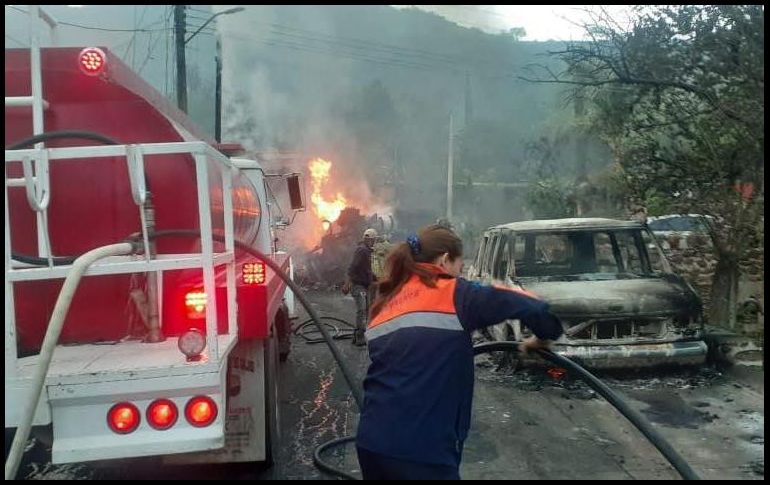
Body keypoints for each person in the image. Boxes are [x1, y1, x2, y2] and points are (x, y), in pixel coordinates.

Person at [356, 224, 564, 480]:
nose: (461, 271)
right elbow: (532, 306)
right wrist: (542, 337)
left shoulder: (384, 304)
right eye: (459, 264)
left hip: (371, 444)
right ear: (444, 260)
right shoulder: (454, 294)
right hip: (423, 453)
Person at [342, 228, 378, 346]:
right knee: (362, 310)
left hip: (364, 285)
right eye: (373, 240)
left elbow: (366, 270)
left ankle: (357, 335)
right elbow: (352, 268)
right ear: (370, 239)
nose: (373, 242)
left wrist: (377, 279)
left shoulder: (366, 251)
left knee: (366, 310)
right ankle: (360, 336)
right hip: (358, 286)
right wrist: (346, 284)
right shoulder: (362, 251)